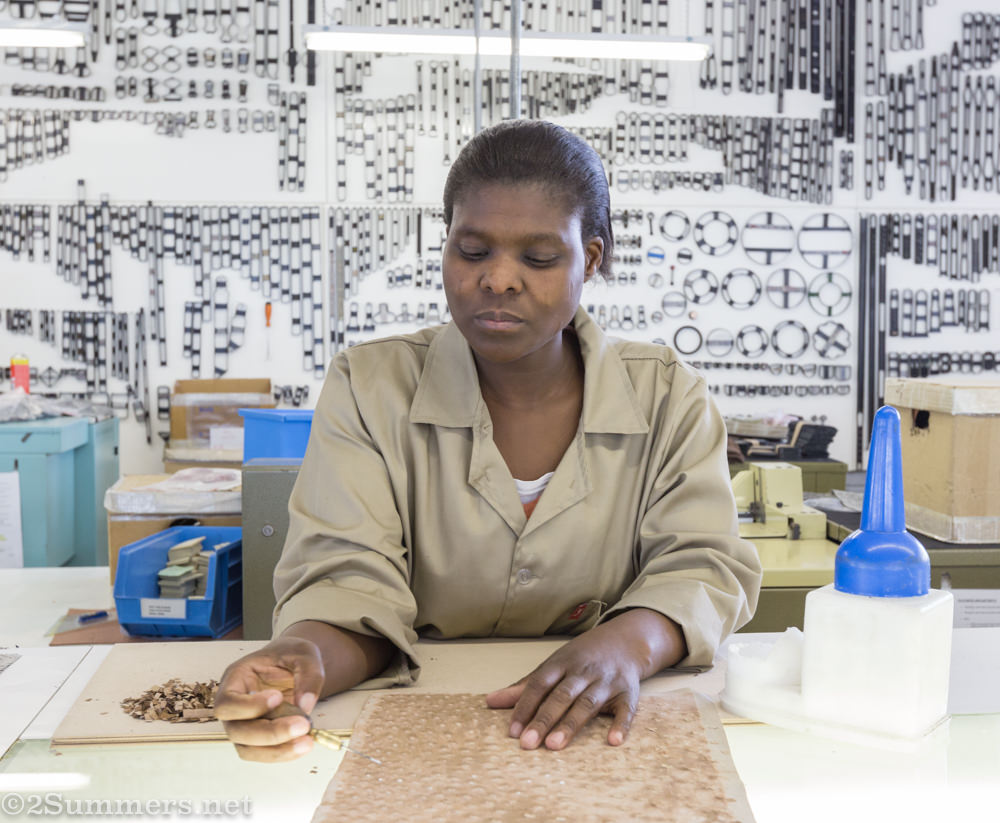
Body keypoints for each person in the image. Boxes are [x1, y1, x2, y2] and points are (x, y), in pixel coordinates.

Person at [215, 119, 762, 762]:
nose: (499, 279)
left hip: (604, 729)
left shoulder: (668, 395)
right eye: (472, 252)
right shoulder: (369, 386)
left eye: (539, 258)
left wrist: (627, 646)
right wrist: (306, 658)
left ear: (589, 259)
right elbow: (346, 580)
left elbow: (701, 565)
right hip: (419, 735)